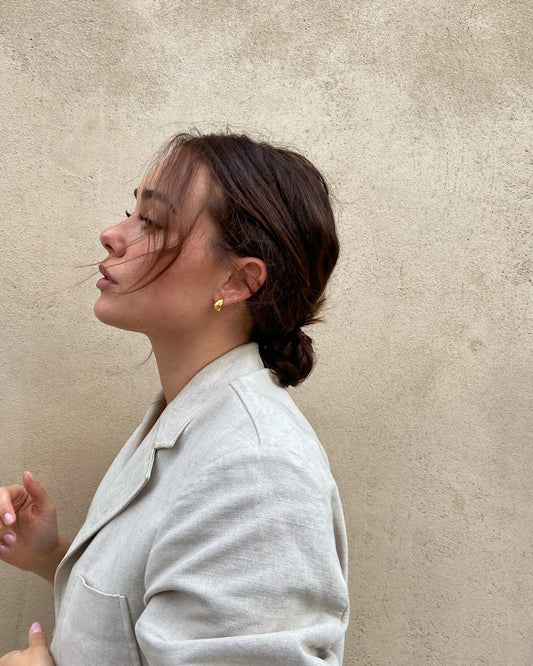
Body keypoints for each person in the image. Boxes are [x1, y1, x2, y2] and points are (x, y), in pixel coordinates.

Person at [0, 132, 349, 665]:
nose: (112, 235)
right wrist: (48, 555)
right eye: (131, 213)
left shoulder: (257, 470)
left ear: (238, 281)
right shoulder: (189, 417)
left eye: (153, 222)